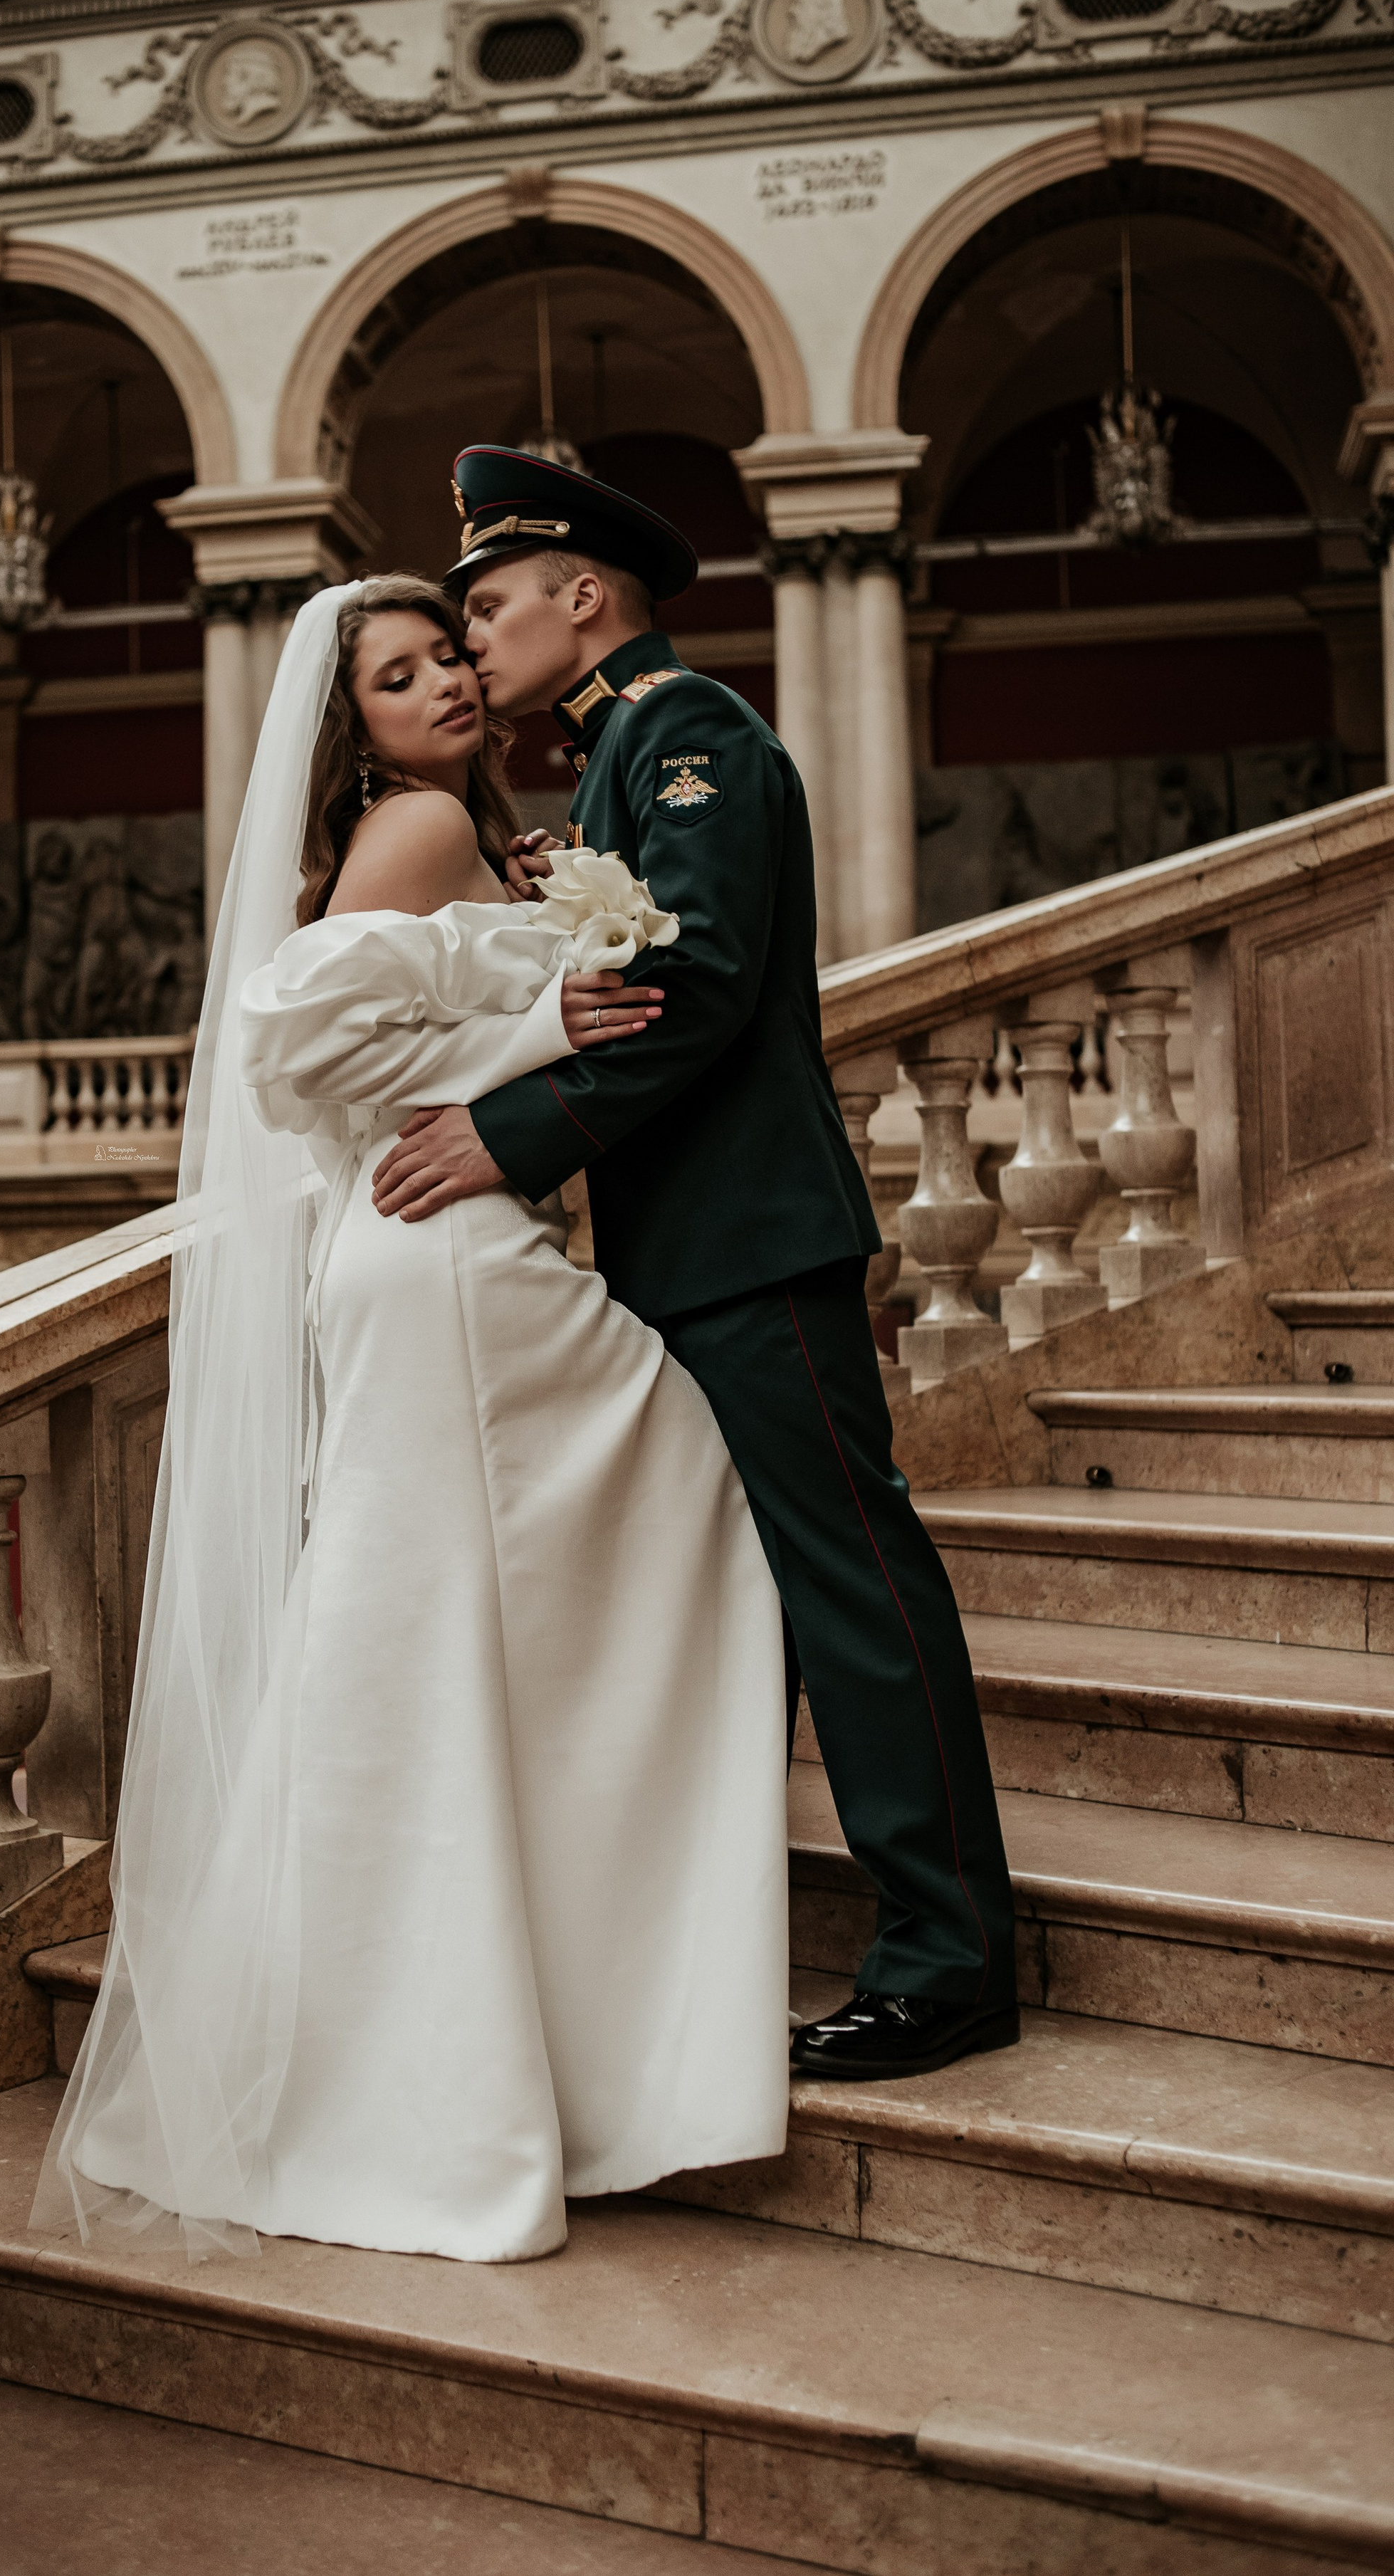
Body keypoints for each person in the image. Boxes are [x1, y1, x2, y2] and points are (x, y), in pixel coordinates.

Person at [33, 572, 792, 2264]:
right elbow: (296, 1054)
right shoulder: (422, 821)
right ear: (351, 724)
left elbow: (373, 1023)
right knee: (687, 1498)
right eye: (397, 673)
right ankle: (580, 2039)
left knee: (416, 1638)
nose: (444, 681)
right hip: (442, 1258)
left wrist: (523, 983)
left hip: (435, 1256)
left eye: (446, 652)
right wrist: (543, 1021)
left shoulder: (454, 829)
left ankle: (502, 2041)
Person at [370, 446, 1020, 2082]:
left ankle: (946, 1961)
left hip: (748, 1243)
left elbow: (701, 983)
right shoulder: (613, 763)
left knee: (850, 1590)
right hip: (687, 1246)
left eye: (491, 608)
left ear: (582, 597)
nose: (475, 645)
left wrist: (508, 1136)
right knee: (761, 1593)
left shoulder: (688, 738)